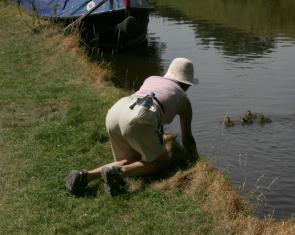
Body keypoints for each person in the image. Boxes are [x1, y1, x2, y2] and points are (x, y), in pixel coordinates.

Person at [66, 57, 199, 196]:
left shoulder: (152, 79)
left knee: (132, 159)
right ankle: (119, 174)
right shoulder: (184, 100)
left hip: (117, 110)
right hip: (140, 117)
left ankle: (85, 176)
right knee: (162, 161)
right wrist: (194, 160)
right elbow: (187, 138)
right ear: (186, 84)